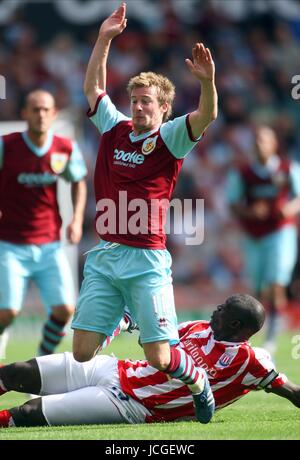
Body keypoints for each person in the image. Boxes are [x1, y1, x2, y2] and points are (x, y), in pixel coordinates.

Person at [71, 2, 218, 422]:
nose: (138, 107)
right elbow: (92, 90)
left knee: (158, 356)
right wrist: (103, 39)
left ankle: (198, 382)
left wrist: (207, 83)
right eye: (134, 100)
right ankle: (122, 315)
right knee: (81, 353)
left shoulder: (171, 138)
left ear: (163, 108)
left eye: (146, 102)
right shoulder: (113, 128)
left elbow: (207, 114)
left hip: (146, 259)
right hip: (105, 254)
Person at [0, 293, 299, 428]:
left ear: (235, 325)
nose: (215, 310)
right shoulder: (197, 326)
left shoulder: (251, 362)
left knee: (27, 412)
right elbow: (152, 338)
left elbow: (292, 392)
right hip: (116, 369)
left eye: (222, 309)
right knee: (18, 371)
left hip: (132, 405)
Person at [0, 89, 87, 359]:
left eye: (45, 110)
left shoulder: (64, 148)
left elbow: (79, 182)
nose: (40, 114)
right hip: (10, 245)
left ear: (54, 114)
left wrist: (77, 219)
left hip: (50, 243)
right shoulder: (6, 145)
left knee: (65, 310)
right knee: (8, 313)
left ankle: (41, 356)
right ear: (24, 113)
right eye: (35, 109)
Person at [226, 125, 300, 355]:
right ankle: (252, 337)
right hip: (253, 236)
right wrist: (250, 213)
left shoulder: (288, 169)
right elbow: (233, 204)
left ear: (274, 144)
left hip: (280, 232)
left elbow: (298, 198)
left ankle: (271, 338)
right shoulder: (243, 173)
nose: (259, 144)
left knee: (276, 284)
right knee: (256, 289)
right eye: (256, 140)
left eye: (264, 140)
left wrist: (288, 209)